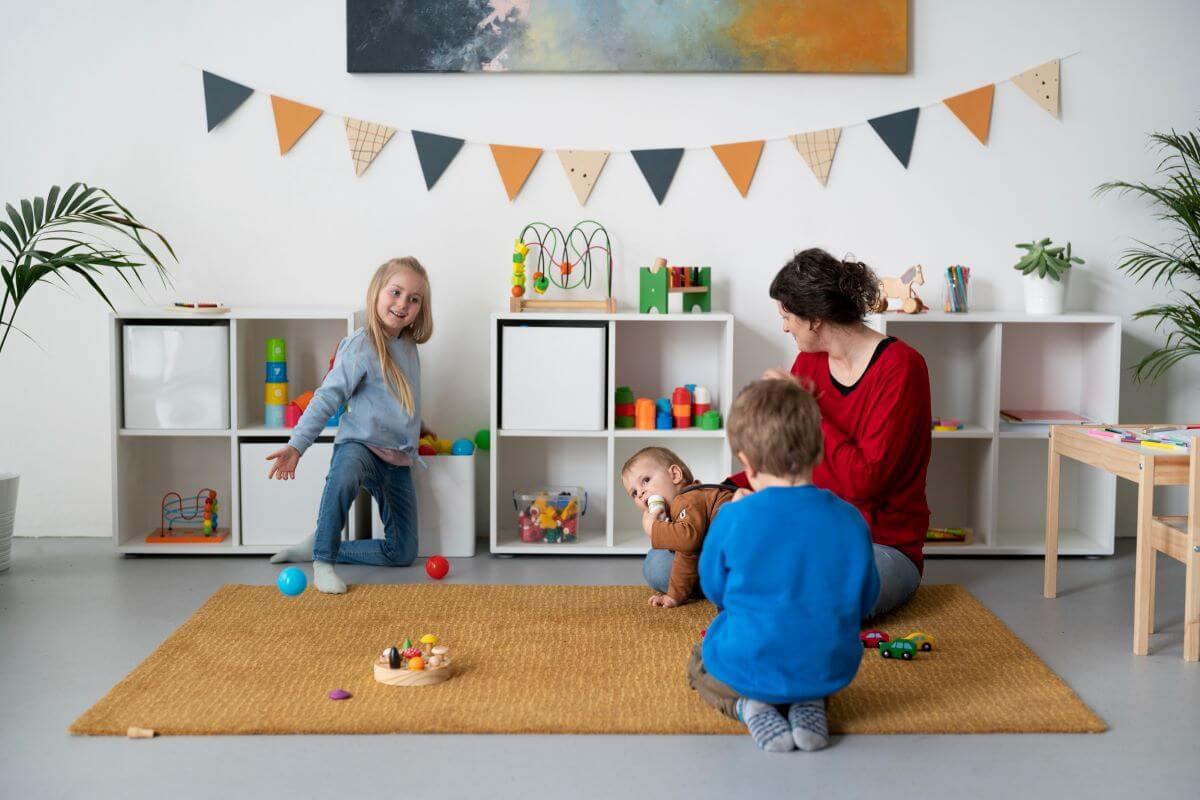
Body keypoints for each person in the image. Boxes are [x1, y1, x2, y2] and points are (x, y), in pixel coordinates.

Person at [727, 248, 931, 617]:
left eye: (787, 316)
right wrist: (725, 488)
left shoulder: (903, 368)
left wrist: (807, 407)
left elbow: (864, 482)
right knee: (665, 564)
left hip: (879, 543)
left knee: (819, 595)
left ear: (815, 319)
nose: (784, 327)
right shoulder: (809, 361)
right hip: (807, 525)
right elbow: (787, 455)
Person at [692, 379, 878, 753]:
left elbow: (714, 588)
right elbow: (866, 598)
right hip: (826, 666)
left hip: (750, 660)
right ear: (820, 450)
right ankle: (810, 703)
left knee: (700, 663)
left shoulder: (734, 518)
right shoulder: (850, 519)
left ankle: (748, 706)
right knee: (808, 654)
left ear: (745, 461)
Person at [266, 257, 433, 594]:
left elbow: (400, 400)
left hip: (397, 459)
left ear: (420, 309)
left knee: (402, 552)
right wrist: (297, 444)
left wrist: (418, 431)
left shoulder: (410, 348)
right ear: (377, 293)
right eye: (396, 292)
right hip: (360, 446)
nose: (403, 304)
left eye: (413, 299)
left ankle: (319, 546)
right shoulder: (360, 345)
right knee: (343, 477)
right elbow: (328, 396)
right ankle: (322, 560)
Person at [620, 447, 733, 607]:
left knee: (656, 564)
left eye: (645, 480)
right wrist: (675, 596)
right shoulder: (681, 509)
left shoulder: (687, 499)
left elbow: (688, 541)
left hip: (742, 549)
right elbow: (687, 551)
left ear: (674, 475)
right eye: (634, 493)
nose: (640, 493)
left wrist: (654, 529)